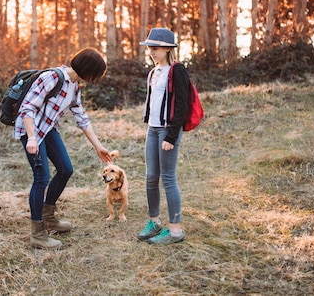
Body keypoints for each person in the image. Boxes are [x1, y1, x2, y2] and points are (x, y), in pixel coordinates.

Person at [14, 48, 113, 249]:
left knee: (66, 169)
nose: (95, 79)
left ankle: (48, 216)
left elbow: (82, 120)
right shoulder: (51, 77)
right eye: (96, 74)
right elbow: (27, 108)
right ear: (88, 69)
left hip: (47, 129)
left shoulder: (74, 86)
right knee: (41, 177)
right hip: (30, 129)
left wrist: (98, 147)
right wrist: (32, 138)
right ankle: (38, 233)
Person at [137, 28, 190, 245]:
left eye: (155, 48)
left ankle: (175, 231)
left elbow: (182, 105)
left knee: (168, 178)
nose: (151, 52)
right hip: (153, 129)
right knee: (151, 177)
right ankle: (155, 222)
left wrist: (171, 134)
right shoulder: (154, 72)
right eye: (149, 48)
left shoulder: (177, 71)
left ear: (168, 48)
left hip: (168, 130)